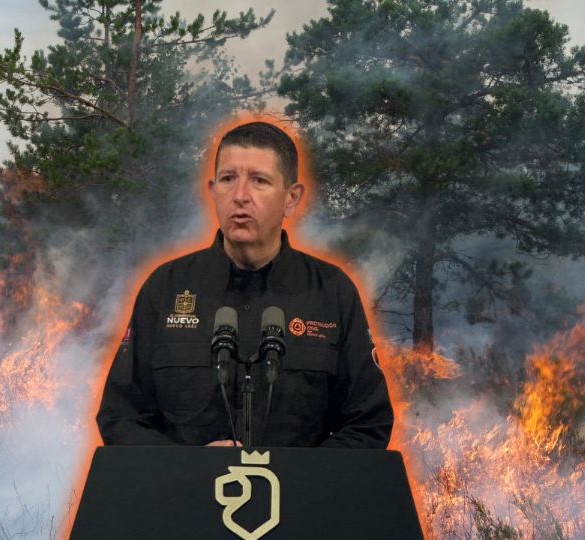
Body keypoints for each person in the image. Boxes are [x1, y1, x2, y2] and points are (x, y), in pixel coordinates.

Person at [96, 121, 393, 448]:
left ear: (291, 199)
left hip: (298, 498)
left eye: (259, 181)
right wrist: (188, 470)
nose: (240, 196)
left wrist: (295, 479)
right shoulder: (165, 288)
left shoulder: (331, 292)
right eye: (228, 179)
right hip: (183, 496)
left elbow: (369, 423)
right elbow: (119, 416)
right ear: (212, 190)